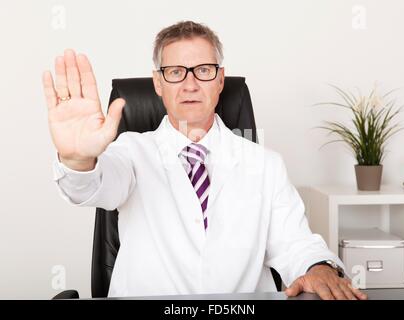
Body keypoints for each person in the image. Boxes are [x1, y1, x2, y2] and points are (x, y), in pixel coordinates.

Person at [42, 21, 367, 300]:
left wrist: (318, 267)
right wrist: (77, 159)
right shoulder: (130, 151)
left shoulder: (265, 164)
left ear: (220, 79)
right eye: (175, 72)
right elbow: (91, 186)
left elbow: (295, 243)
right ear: (158, 82)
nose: (190, 83)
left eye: (203, 70)